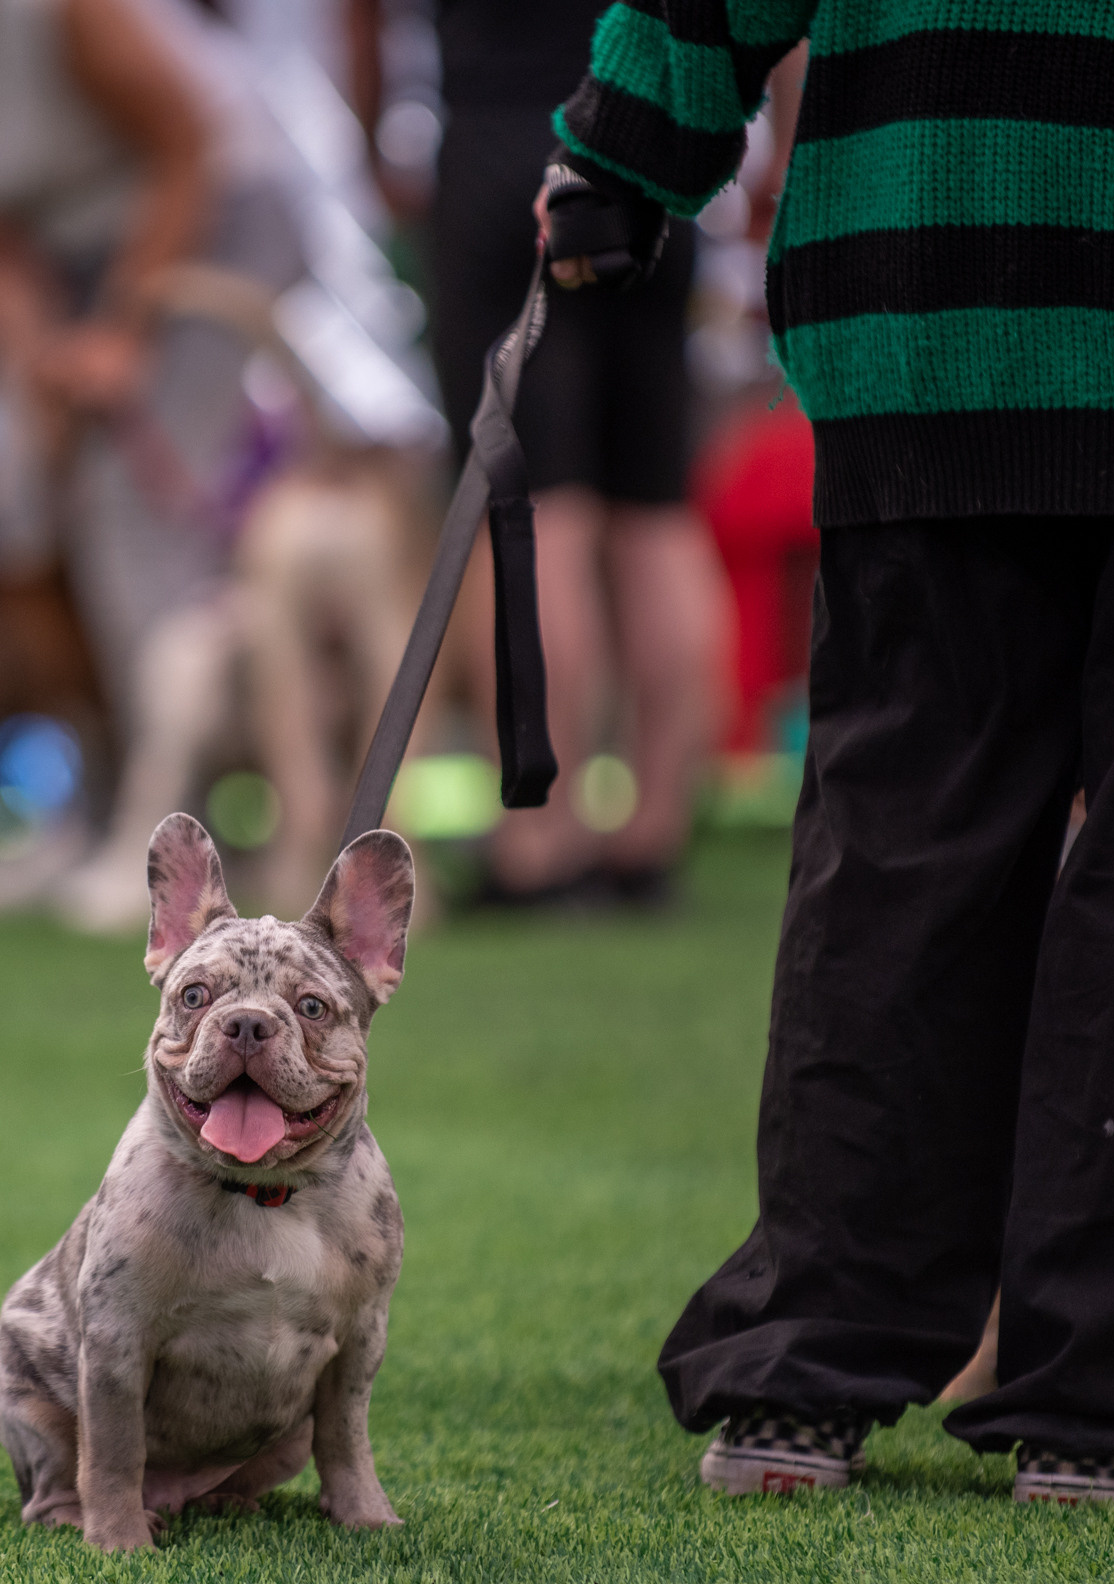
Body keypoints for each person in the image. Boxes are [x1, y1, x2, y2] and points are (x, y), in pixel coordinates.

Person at [541, 1, 1114, 1502]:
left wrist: (621, 149)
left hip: (934, 269)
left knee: (901, 853)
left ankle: (812, 1366)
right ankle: (1112, 1402)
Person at [0, 0, 306, 932]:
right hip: (64, 272)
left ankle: (176, 839)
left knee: (132, 508)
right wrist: (38, 359)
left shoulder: (62, 12)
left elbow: (189, 146)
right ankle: (96, 813)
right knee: (29, 511)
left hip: (207, 226)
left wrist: (121, 333)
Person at [431, 0, 728, 908]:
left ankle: (540, 844)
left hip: (502, 140)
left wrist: (375, 140)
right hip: (655, 153)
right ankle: (652, 833)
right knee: (656, 510)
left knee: (533, 510)